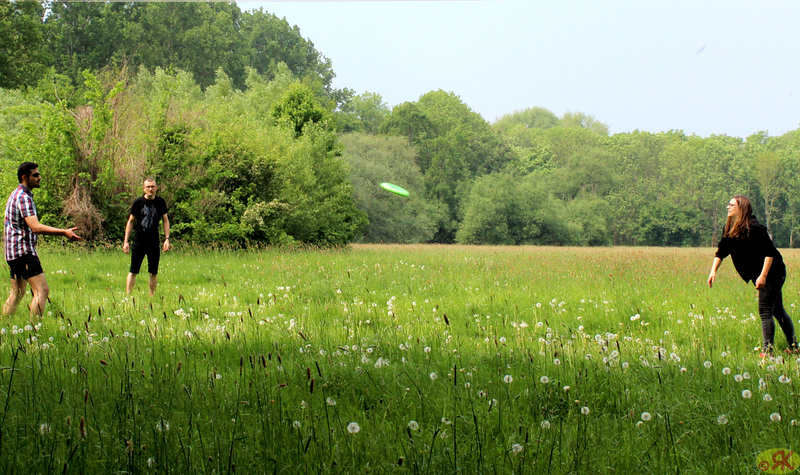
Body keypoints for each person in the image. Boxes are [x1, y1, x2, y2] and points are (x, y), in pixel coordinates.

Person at [708, 195, 797, 356]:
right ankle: (794, 347)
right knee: (777, 310)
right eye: (728, 204)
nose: (728, 207)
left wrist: (763, 276)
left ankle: (767, 351)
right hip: (761, 273)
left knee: (765, 310)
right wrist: (713, 270)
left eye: (731, 205)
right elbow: (722, 251)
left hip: (773, 271)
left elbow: (769, 253)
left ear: (741, 208)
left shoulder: (754, 227)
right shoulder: (730, 227)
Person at [3, 162, 82, 316]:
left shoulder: (15, 194)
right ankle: (35, 332)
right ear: (25, 177)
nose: (39, 178)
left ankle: (4, 327)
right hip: (23, 251)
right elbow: (35, 227)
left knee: (17, 292)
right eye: (35, 175)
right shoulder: (24, 198)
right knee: (42, 290)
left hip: (12, 252)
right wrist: (64, 232)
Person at [123, 177, 170, 295]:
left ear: (156, 188)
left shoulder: (160, 202)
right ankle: (128, 296)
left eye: (152, 186)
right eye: (148, 187)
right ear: (144, 189)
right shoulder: (138, 202)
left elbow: (165, 220)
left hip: (154, 240)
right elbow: (130, 221)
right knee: (133, 270)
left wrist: (167, 239)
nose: (150, 189)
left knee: (153, 271)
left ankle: (151, 295)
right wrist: (126, 241)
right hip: (139, 239)